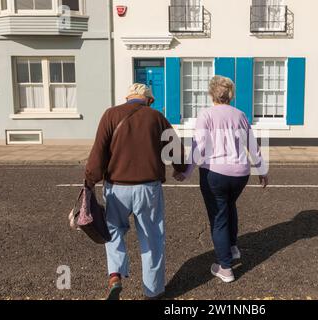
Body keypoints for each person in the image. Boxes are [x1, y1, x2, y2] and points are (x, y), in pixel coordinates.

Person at [85, 83, 187, 300]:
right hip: (148, 188)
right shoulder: (156, 117)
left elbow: (98, 151)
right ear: (148, 100)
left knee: (112, 231)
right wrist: (179, 169)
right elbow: (175, 148)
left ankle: (115, 276)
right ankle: (153, 291)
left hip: (116, 187)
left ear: (128, 98)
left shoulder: (110, 115)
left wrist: (90, 180)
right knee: (152, 238)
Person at [173, 75, 269, 283]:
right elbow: (252, 145)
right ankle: (232, 248)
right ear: (230, 95)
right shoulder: (240, 115)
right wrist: (262, 169)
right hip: (240, 173)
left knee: (218, 218)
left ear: (211, 93)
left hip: (214, 173)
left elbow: (199, 146)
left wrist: (186, 172)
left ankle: (225, 268)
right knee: (229, 206)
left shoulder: (206, 115)